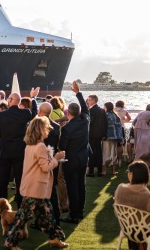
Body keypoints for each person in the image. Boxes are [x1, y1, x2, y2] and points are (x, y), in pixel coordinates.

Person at [4, 117, 68, 250]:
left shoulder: (30, 145)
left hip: (34, 186)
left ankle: (55, 238)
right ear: (41, 130)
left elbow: (39, 164)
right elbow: (45, 167)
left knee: (47, 215)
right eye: (47, 128)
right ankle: (10, 242)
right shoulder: (40, 146)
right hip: (36, 188)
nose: (48, 131)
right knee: (23, 217)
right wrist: (56, 158)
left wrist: (52, 158)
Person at [0, 87, 39, 207]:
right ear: (19, 102)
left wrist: (4, 133)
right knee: (20, 180)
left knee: (3, 181)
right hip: (19, 152)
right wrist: (33, 98)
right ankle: (21, 205)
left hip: (4, 151)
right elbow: (34, 113)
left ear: (10, 100)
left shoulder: (1, 115)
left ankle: (2, 207)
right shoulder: (25, 113)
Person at [114, 160, 150, 250]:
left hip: (128, 229)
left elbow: (116, 212)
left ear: (131, 175)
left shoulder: (120, 189)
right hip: (145, 233)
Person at [59, 81, 90, 224]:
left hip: (70, 160)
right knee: (81, 186)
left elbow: (62, 146)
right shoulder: (85, 120)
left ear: (68, 113)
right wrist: (78, 93)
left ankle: (74, 215)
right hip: (83, 158)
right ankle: (80, 212)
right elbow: (85, 108)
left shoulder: (66, 128)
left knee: (72, 187)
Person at [86, 94, 108, 177]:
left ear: (93, 101)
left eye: (89, 100)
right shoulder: (102, 110)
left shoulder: (91, 110)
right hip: (100, 135)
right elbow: (106, 123)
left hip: (91, 134)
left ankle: (91, 171)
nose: (88, 101)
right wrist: (104, 134)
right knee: (99, 152)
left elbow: (90, 122)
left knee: (91, 153)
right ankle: (100, 171)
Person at [132, 104, 150, 169]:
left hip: (137, 130)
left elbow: (133, 122)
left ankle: (137, 163)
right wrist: (148, 126)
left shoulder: (141, 112)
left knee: (139, 146)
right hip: (144, 130)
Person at [102, 102, 123, 175]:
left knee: (105, 153)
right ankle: (113, 171)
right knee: (113, 154)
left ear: (106, 107)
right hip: (114, 137)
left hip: (106, 137)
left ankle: (104, 170)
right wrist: (119, 138)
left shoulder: (105, 115)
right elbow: (119, 127)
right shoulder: (115, 116)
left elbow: (102, 126)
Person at [115, 100, 131, 166]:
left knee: (113, 144)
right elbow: (129, 118)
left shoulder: (113, 109)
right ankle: (120, 161)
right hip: (121, 128)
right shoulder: (124, 111)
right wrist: (124, 120)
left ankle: (114, 159)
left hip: (113, 128)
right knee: (120, 145)